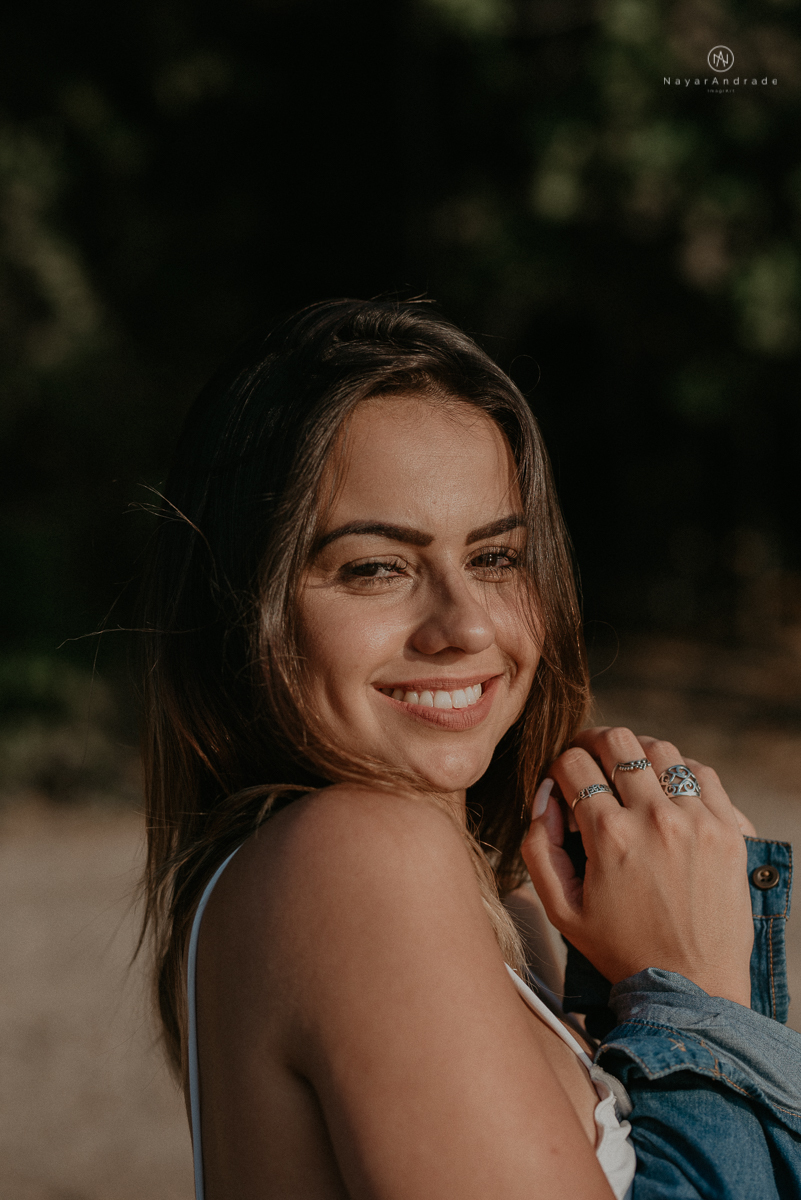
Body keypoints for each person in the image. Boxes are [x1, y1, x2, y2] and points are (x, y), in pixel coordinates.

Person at [139, 299, 801, 1200]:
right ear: (241, 609)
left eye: (495, 557)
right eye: (376, 566)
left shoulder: (510, 917)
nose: (465, 624)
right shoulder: (354, 859)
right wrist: (694, 996)